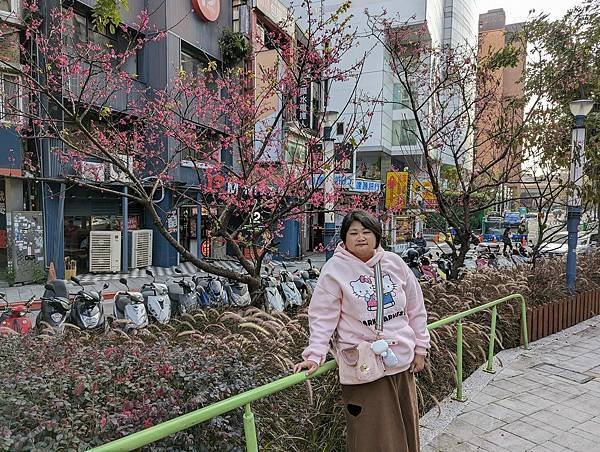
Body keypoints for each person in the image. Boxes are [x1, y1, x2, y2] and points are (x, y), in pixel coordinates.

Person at [294, 210, 430, 452]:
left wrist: (421, 347)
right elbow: (323, 316)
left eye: (367, 232)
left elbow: (415, 308)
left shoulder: (394, 263)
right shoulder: (335, 270)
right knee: (371, 436)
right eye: (353, 232)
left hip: (400, 361)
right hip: (363, 366)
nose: (360, 237)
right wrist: (314, 355)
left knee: (404, 429)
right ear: (344, 238)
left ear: (377, 236)